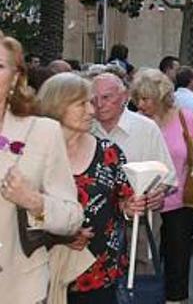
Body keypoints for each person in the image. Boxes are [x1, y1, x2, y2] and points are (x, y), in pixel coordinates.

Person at [37, 72, 140, 304]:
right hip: (46, 274)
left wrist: (130, 207)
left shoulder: (109, 152)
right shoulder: (34, 155)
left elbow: (125, 201)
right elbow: (20, 214)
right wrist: (59, 236)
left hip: (102, 274)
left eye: (91, 103)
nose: (92, 111)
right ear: (57, 106)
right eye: (82, 104)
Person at [0, 34, 85, 304]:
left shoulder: (42, 132)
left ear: (15, 78)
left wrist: (33, 201)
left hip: (17, 288)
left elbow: (72, 216)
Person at [131, 68, 193, 304]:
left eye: (145, 99)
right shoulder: (137, 122)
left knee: (177, 265)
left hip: (180, 202)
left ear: (161, 97)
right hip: (144, 203)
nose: (140, 104)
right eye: (137, 99)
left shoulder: (186, 117)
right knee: (146, 265)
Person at [91, 72, 177, 274]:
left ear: (124, 97)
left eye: (106, 97)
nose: (99, 104)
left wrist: (159, 194)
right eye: (94, 98)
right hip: (95, 221)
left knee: (141, 278)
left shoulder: (146, 128)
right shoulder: (85, 128)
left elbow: (167, 176)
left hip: (140, 219)